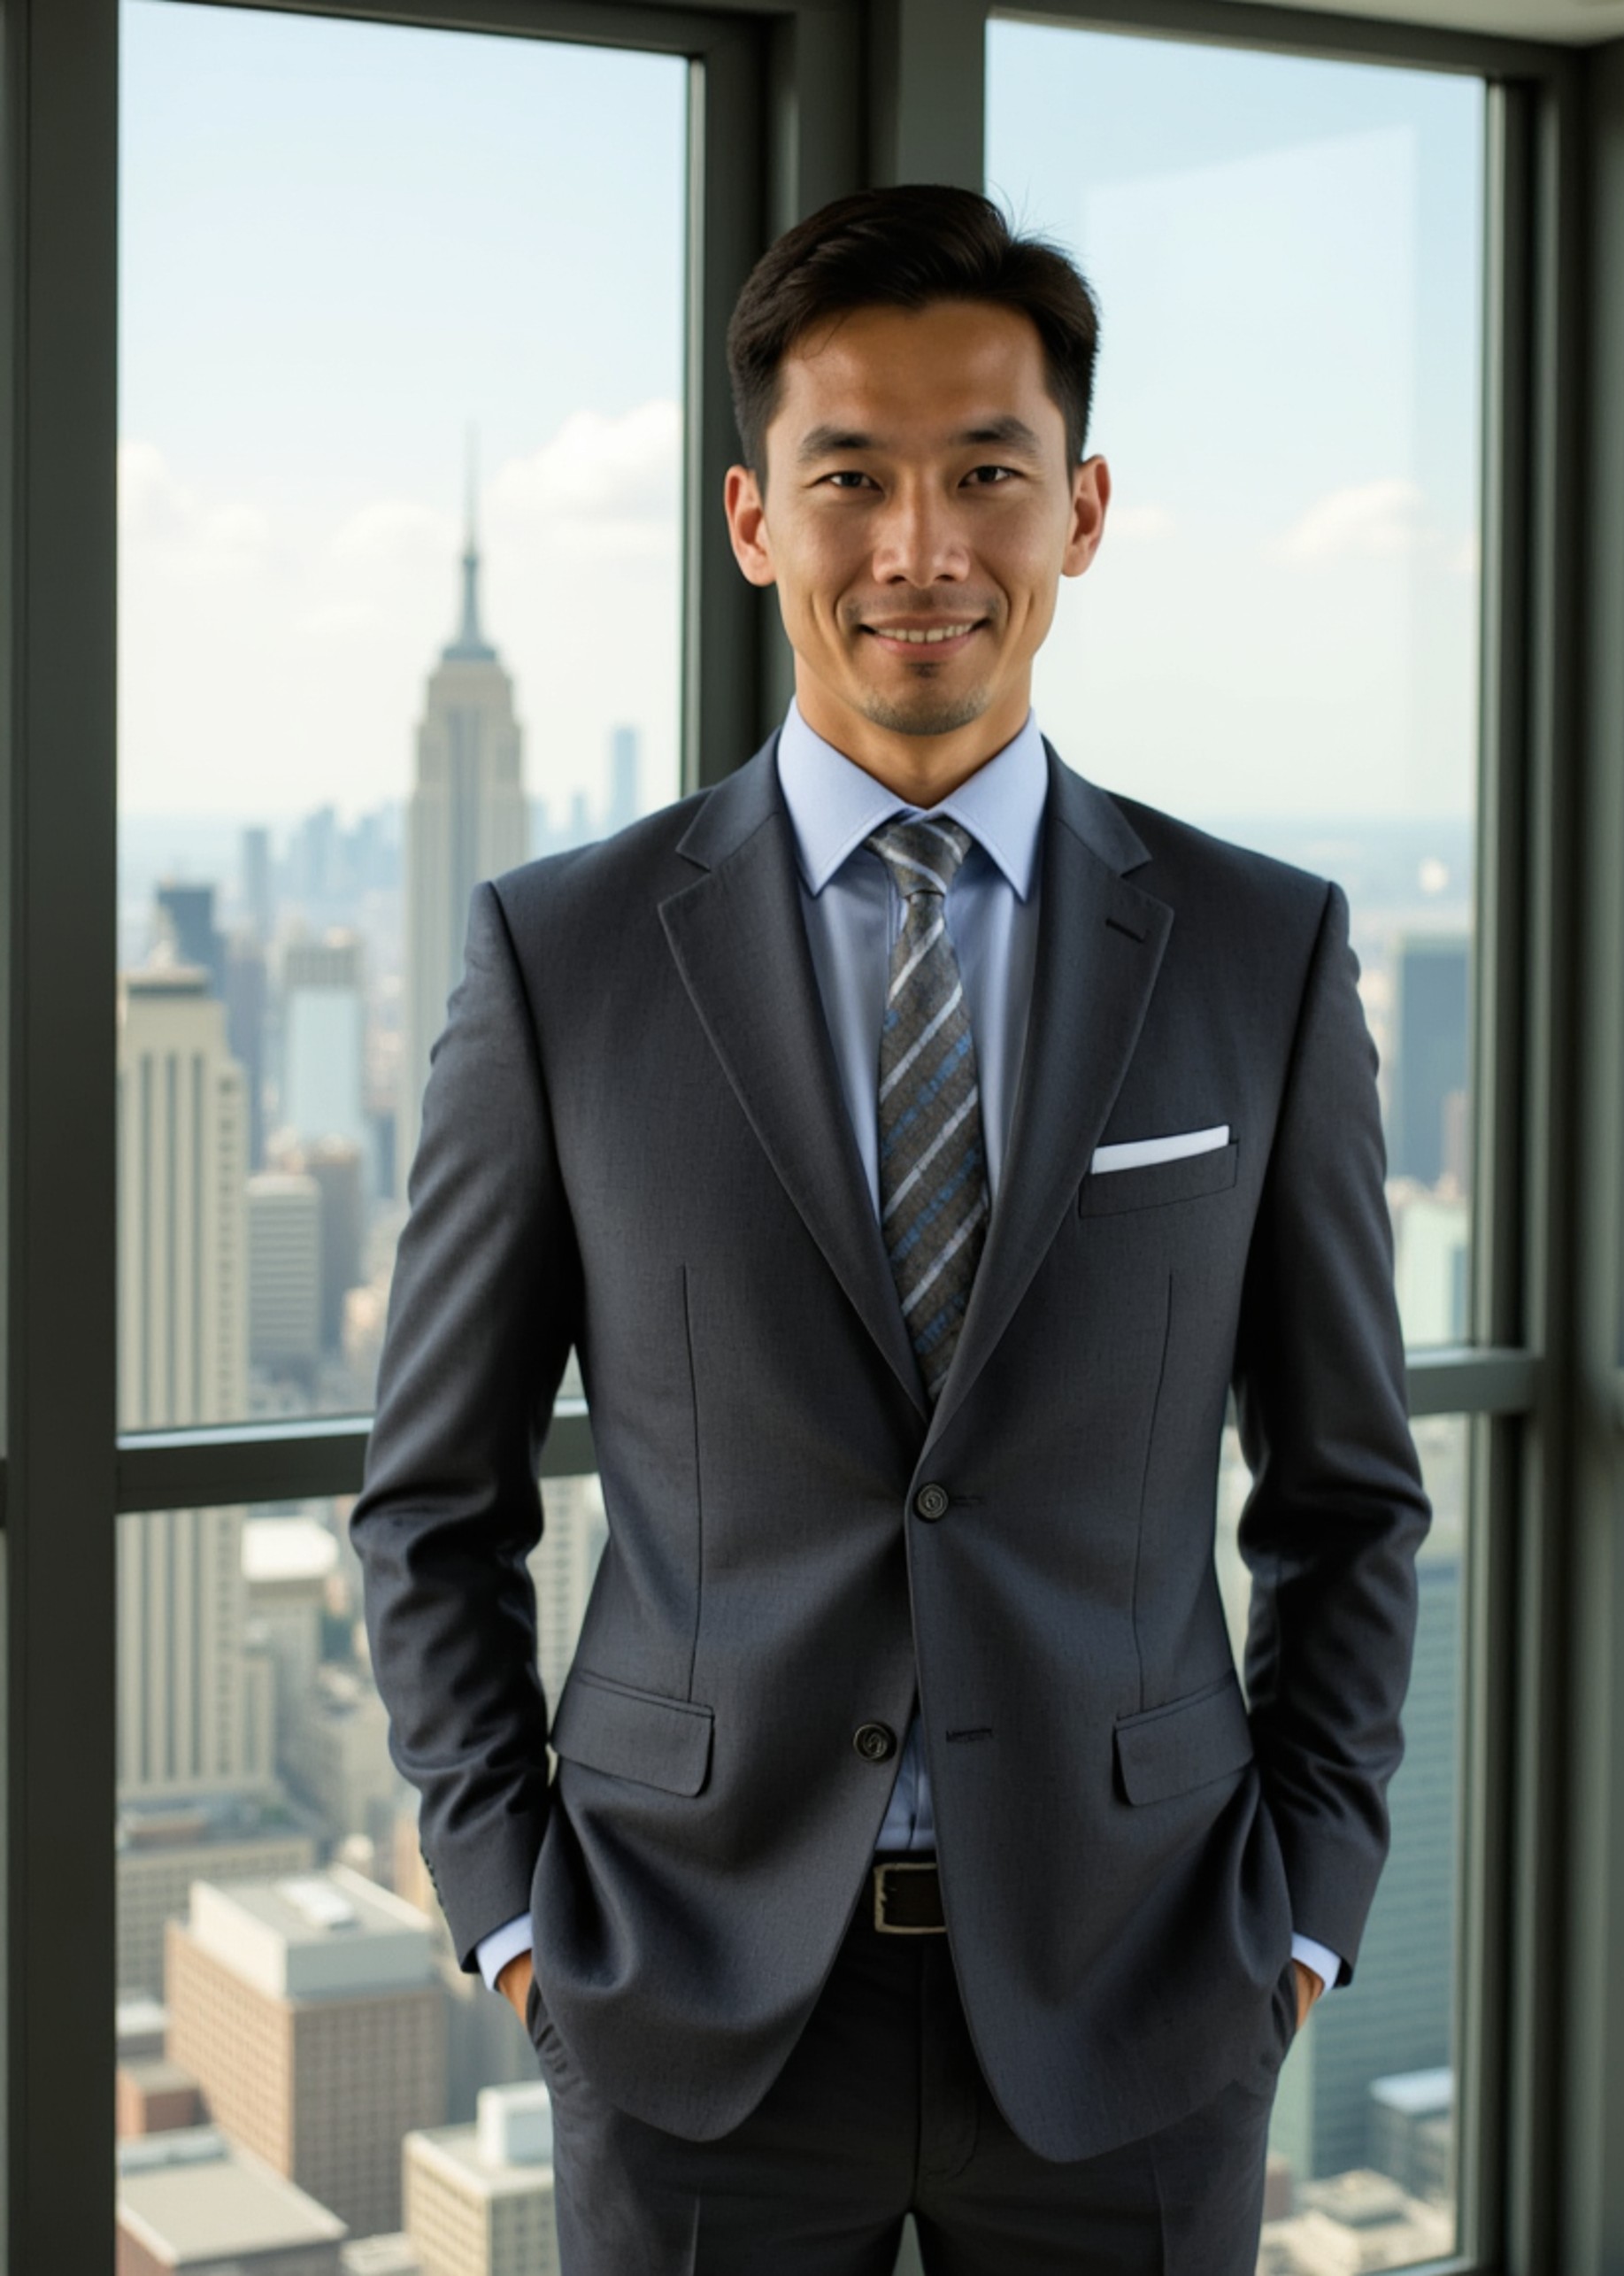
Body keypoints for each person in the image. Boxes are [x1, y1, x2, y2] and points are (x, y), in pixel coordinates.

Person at [352, 184, 1430, 2275]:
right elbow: (432, 1500)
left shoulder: (1253, 950)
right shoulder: (561, 956)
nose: (920, 547)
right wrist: (514, 1924)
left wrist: (1297, 1922)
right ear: (756, 518)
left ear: (1081, 511)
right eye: (849, 477)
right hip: (685, 2010)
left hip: (1142, 1997)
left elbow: (1346, 1499)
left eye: (985, 477)